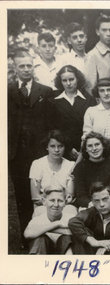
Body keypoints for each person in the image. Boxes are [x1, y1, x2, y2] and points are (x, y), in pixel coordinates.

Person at [8, 48, 54, 232]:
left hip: (39, 152)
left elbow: (52, 124)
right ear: (15, 67)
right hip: (16, 154)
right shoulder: (7, 91)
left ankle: (46, 234)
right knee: (22, 195)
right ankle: (26, 236)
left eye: (29, 65)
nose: (26, 69)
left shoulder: (46, 91)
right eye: (22, 66)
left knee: (44, 193)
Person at [50, 65, 96, 160]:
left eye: (71, 79)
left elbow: (93, 126)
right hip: (62, 149)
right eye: (64, 80)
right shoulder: (53, 101)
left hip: (86, 148)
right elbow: (52, 128)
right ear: (60, 81)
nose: (68, 83)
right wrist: (68, 148)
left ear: (77, 79)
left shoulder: (88, 99)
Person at [24, 186, 77, 254]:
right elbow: (27, 234)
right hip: (44, 251)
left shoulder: (70, 217)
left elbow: (80, 233)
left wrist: (43, 230)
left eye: (60, 201)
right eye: (52, 200)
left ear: (65, 202)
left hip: (64, 253)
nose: (56, 204)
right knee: (40, 239)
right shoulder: (38, 219)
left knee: (67, 239)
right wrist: (57, 224)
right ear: (44, 201)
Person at [83, 78, 110, 161]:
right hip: (98, 149)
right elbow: (87, 135)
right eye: (102, 91)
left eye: (109, 90)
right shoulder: (91, 111)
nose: (106, 94)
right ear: (98, 93)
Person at [29, 130, 74, 210]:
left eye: (60, 146)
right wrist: (52, 205)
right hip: (42, 206)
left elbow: (69, 196)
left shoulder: (70, 165)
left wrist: (58, 205)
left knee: (71, 212)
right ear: (47, 147)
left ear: (65, 147)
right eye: (52, 146)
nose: (56, 150)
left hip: (64, 206)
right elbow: (35, 197)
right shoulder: (37, 164)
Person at [72, 132, 110, 209]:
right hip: (88, 206)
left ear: (103, 146)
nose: (94, 148)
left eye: (97, 144)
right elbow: (80, 194)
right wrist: (90, 204)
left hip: (109, 205)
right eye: (90, 146)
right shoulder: (80, 167)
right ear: (86, 149)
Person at [85, 16, 110, 95]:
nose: (108, 34)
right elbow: (90, 87)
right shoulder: (92, 55)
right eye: (104, 30)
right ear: (97, 32)